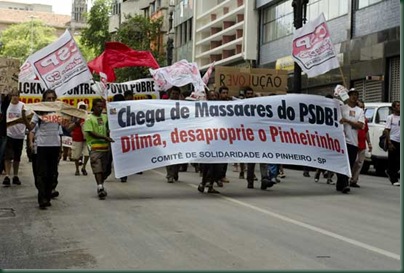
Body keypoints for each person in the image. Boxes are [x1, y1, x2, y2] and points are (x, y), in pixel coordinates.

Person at [22, 89, 64, 209]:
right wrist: (24, 116)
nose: (51, 100)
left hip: (54, 146)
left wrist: (60, 148)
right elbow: (31, 127)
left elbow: (59, 132)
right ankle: (42, 199)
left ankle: (47, 196)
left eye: (52, 98)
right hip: (42, 146)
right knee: (42, 173)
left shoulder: (58, 113)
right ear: (44, 100)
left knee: (52, 174)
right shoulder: (38, 113)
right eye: (48, 98)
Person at [84, 98, 114, 199]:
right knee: (97, 168)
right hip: (95, 148)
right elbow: (90, 132)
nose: (100, 108)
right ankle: (100, 187)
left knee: (106, 170)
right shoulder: (89, 118)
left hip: (106, 149)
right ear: (93, 107)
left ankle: (101, 182)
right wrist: (104, 137)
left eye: (102, 107)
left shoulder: (105, 117)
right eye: (98, 106)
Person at [337, 88, 365, 194]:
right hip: (341, 141)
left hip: (353, 141)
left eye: (356, 95)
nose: (354, 97)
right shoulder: (342, 108)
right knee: (341, 163)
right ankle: (344, 184)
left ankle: (341, 183)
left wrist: (348, 121)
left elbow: (360, 125)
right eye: (352, 94)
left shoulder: (360, 111)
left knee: (349, 164)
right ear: (348, 96)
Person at [3, 90, 25, 186]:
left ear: (19, 96)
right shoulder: (7, 106)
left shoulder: (23, 106)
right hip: (9, 135)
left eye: (17, 95)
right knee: (8, 156)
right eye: (13, 95)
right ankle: (7, 175)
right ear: (11, 96)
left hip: (19, 135)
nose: (15, 97)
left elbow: (28, 118)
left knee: (17, 157)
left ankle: (15, 176)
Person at [350, 99, 371, 187]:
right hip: (353, 142)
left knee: (359, 163)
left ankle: (354, 180)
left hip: (362, 143)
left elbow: (366, 131)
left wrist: (369, 142)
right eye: (360, 107)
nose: (361, 109)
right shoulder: (351, 116)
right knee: (353, 161)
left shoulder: (365, 120)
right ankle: (347, 178)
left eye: (363, 107)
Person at [67, 101, 89, 176]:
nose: (82, 109)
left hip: (87, 137)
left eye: (84, 107)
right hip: (77, 137)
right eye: (81, 107)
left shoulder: (87, 115)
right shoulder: (74, 116)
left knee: (87, 153)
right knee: (76, 155)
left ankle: (84, 167)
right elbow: (69, 127)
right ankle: (77, 169)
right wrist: (77, 122)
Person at [165, 86, 182, 183]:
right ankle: (169, 174)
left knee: (178, 155)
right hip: (168, 134)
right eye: (173, 94)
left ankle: (175, 172)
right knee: (169, 155)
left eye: (176, 94)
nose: (174, 95)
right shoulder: (165, 105)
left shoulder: (182, 105)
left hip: (180, 134)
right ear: (170, 94)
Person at [384, 101, 400, 186]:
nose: (399, 107)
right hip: (393, 140)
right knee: (393, 160)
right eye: (397, 105)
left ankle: (390, 171)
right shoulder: (391, 117)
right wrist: (389, 142)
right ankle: (394, 179)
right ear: (393, 108)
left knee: (399, 161)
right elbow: (387, 130)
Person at [0, 93, 11, 177]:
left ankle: (2, 168)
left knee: (3, 151)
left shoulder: (5, 105)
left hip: (4, 131)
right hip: (3, 130)